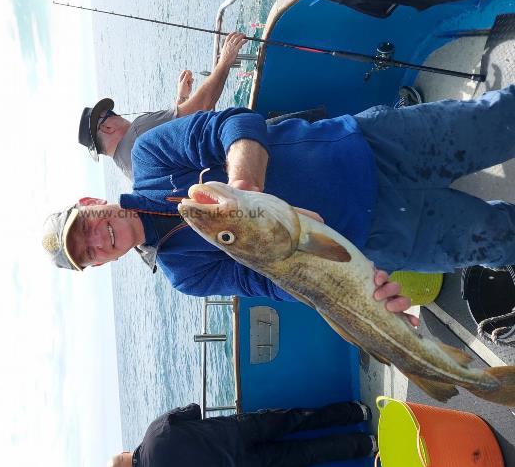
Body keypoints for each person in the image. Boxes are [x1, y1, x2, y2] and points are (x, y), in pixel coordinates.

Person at [44, 85, 514, 309]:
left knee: (500, 120)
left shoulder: (149, 155)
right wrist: (364, 294)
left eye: (84, 228)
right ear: (99, 265)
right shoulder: (184, 272)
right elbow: (274, 282)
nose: (97, 240)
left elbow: (235, 122)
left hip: (369, 145)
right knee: (498, 240)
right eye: (89, 254)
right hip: (379, 236)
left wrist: (245, 186)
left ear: (88, 203)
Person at [79, 32, 248, 179]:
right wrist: (226, 59)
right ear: (107, 127)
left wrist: (181, 99)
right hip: (236, 166)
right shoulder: (137, 132)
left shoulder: (129, 168)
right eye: (112, 113)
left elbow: (176, 141)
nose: (119, 115)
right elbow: (202, 105)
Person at [107, 402, 377, 467]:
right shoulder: (155, 430)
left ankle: (367, 445)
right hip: (238, 430)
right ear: (124, 453)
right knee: (298, 420)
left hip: (241, 465)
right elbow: (194, 410)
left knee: (305, 454)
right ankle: (357, 412)